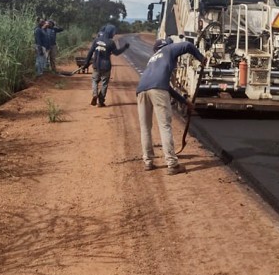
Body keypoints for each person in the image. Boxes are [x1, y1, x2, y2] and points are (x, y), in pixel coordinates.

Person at [136, 38, 205, 175]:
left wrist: (184, 102)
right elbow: (187, 45)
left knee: (145, 128)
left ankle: (148, 162)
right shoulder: (168, 49)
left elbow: (165, 86)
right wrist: (201, 58)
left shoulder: (152, 59)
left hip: (141, 90)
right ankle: (172, 164)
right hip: (157, 89)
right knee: (164, 126)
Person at [83, 28, 130, 107]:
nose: (113, 35)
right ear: (110, 33)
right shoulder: (111, 42)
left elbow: (90, 52)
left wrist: (86, 63)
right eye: (113, 33)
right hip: (106, 66)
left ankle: (95, 94)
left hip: (96, 65)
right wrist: (124, 47)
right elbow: (116, 53)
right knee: (104, 84)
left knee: (94, 81)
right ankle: (101, 101)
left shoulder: (96, 40)